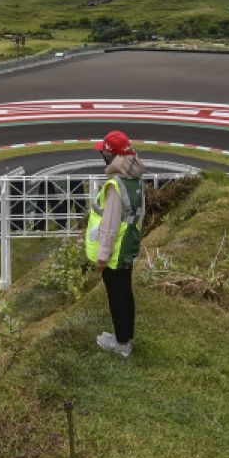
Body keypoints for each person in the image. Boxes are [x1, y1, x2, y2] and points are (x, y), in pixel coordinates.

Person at [86, 129, 146, 358]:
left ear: (113, 156)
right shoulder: (136, 180)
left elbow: (110, 226)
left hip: (115, 251)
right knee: (125, 294)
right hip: (128, 246)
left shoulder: (115, 185)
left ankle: (121, 343)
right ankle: (125, 337)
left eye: (105, 153)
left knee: (117, 296)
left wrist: (102, 256)